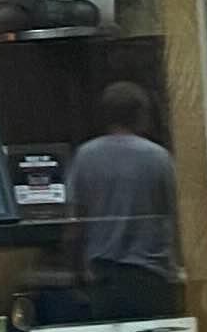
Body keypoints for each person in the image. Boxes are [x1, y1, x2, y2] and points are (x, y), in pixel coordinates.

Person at [68, 79, 180, 319]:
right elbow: (173, 216)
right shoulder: (159, 158)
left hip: (103, 277)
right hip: (151, 276)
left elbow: (76, 221)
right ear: (141, 115)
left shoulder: (85, 156)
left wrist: (76, 271)